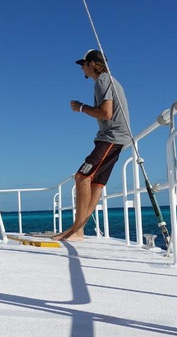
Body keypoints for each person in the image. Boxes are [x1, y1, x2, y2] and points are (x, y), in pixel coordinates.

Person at [53, 49, 131, 242]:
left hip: (112, 137)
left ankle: (77, 231)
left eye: (83, 65)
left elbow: (106, 113)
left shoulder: (103, 79)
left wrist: (80, 107)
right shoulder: (109, 80)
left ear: (92, 64)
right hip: (118, 138)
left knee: (81, 176)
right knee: (96, 183)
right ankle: (78, 229)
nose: (82, 69)